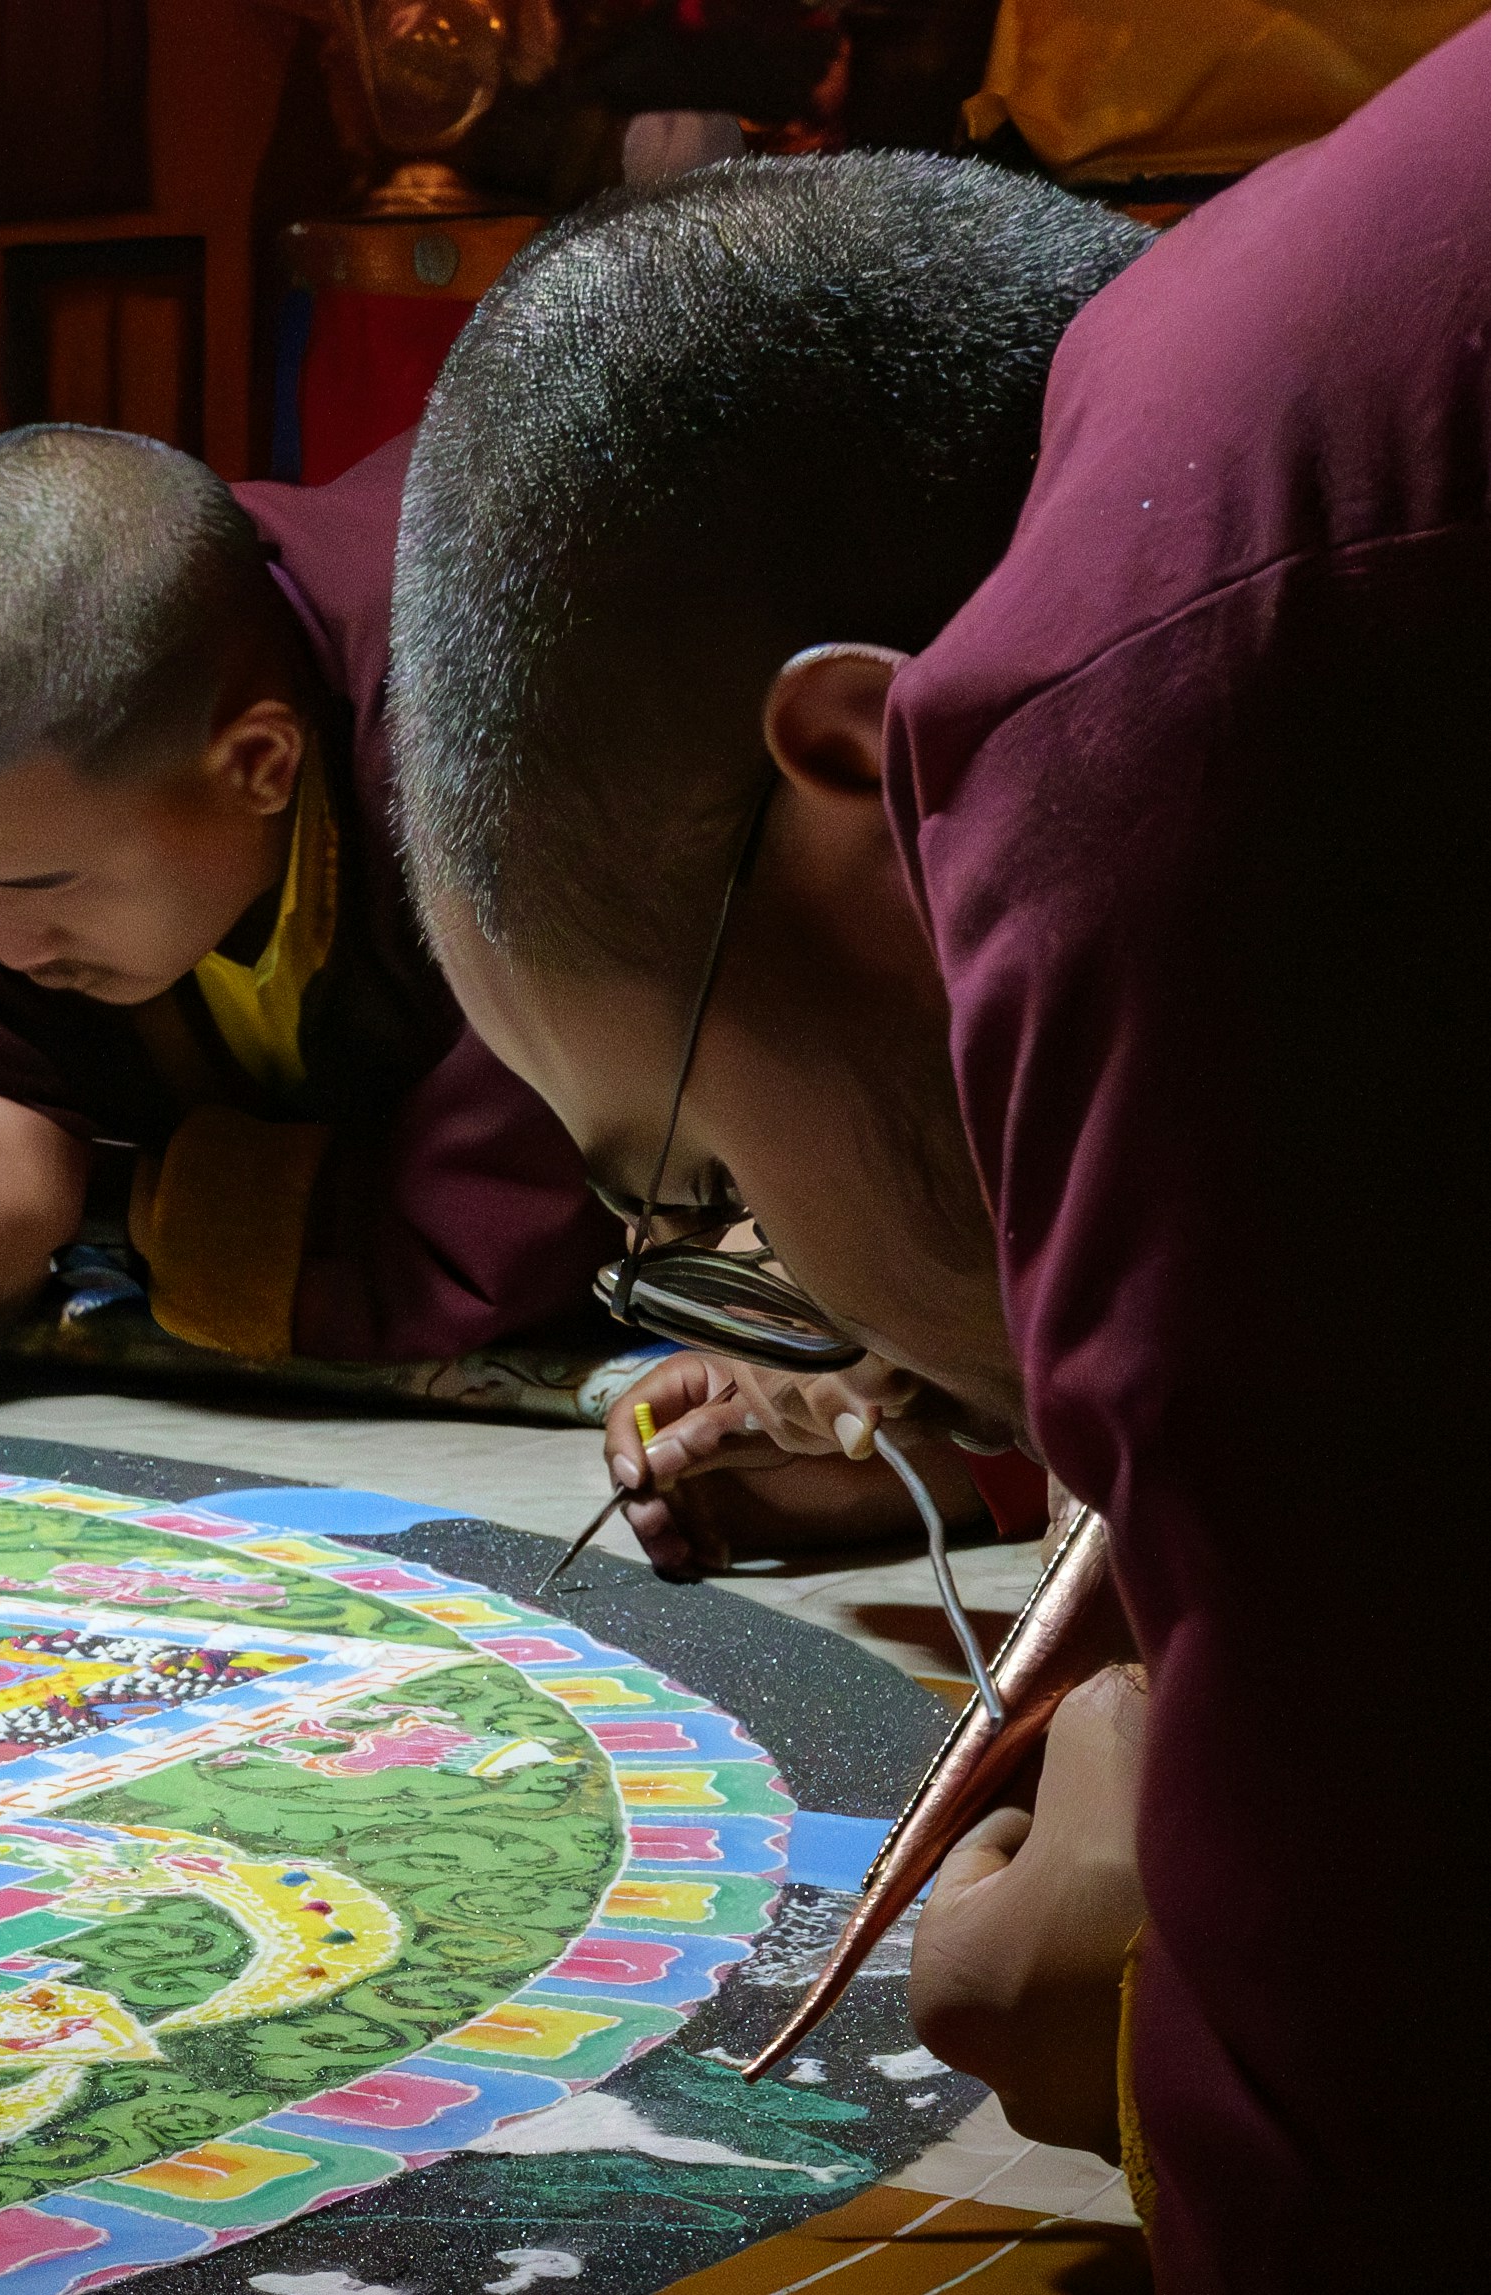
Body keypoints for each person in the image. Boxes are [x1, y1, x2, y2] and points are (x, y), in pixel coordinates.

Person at [386, 42, 1482, 2282]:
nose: (762, 1263)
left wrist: (1164, 1983)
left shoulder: (1124, 708)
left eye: (695, 1181)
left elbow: (1371, 2165)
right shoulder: (1304, 405)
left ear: (854, 794)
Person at [0, 425, 617, 1370]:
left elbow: (497, 1246)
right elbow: (11, 1173)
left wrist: (101, 1191)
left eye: (43, 886)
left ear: (258, 764)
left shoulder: (500, 738)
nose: (5, 944)